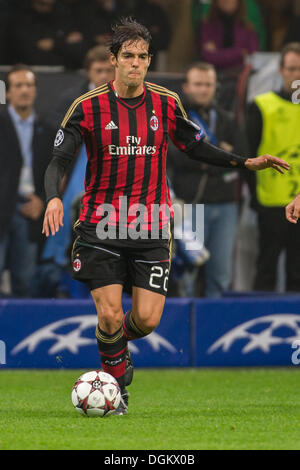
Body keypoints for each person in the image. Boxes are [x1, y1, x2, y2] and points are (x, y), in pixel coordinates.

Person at [42, 18, 289, 415]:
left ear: (149, 60)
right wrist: (53, 198)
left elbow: (195, 146)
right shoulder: (86, 107)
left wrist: (245, 161)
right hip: (101, 223)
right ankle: (116, 385)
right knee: (108, 313)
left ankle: (114, 347)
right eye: (128, 56)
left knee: (146, 319)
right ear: (113, 60)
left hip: (151, 226)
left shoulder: (166, 102)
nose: (136, 64)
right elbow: (58, 159)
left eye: (142, 57)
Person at [170, 62, 245, 297]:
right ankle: (184, 330)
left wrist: (203, 154)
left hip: (225, 206)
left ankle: (215, 328)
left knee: (220, 275)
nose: (203, 89)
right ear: (186, 87)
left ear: (216, 87)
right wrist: (217, 153)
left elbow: (239, 157)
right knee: (188, 272)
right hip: (190, 207)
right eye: (198, 84)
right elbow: (175, 156)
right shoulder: (177, 121)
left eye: (208, 85)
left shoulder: (226, 119)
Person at [246, 42, 300, 292]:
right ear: (280, 70)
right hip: (271, 202)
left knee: (297, 272)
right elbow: (249, 155)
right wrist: (254, 197)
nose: (296, 74)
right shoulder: (261, 105)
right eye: (291, 68)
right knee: (266, 268)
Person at [0, 64, 54, 297]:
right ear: (8, 92)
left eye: (29, 85)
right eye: (18, 85)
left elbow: (56, 172)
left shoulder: (47, 129)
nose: (24, 90)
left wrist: (42, 200)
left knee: (25, 280)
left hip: (31, 210)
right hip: (2, 207)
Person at [197, 0, 259, 71]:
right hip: (213, 75)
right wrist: (239, 53)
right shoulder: (207, 26)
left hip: (241, 77)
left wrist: (218, 53)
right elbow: (208, 57)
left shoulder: (248, 28)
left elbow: (253, 58)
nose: (227, 1)